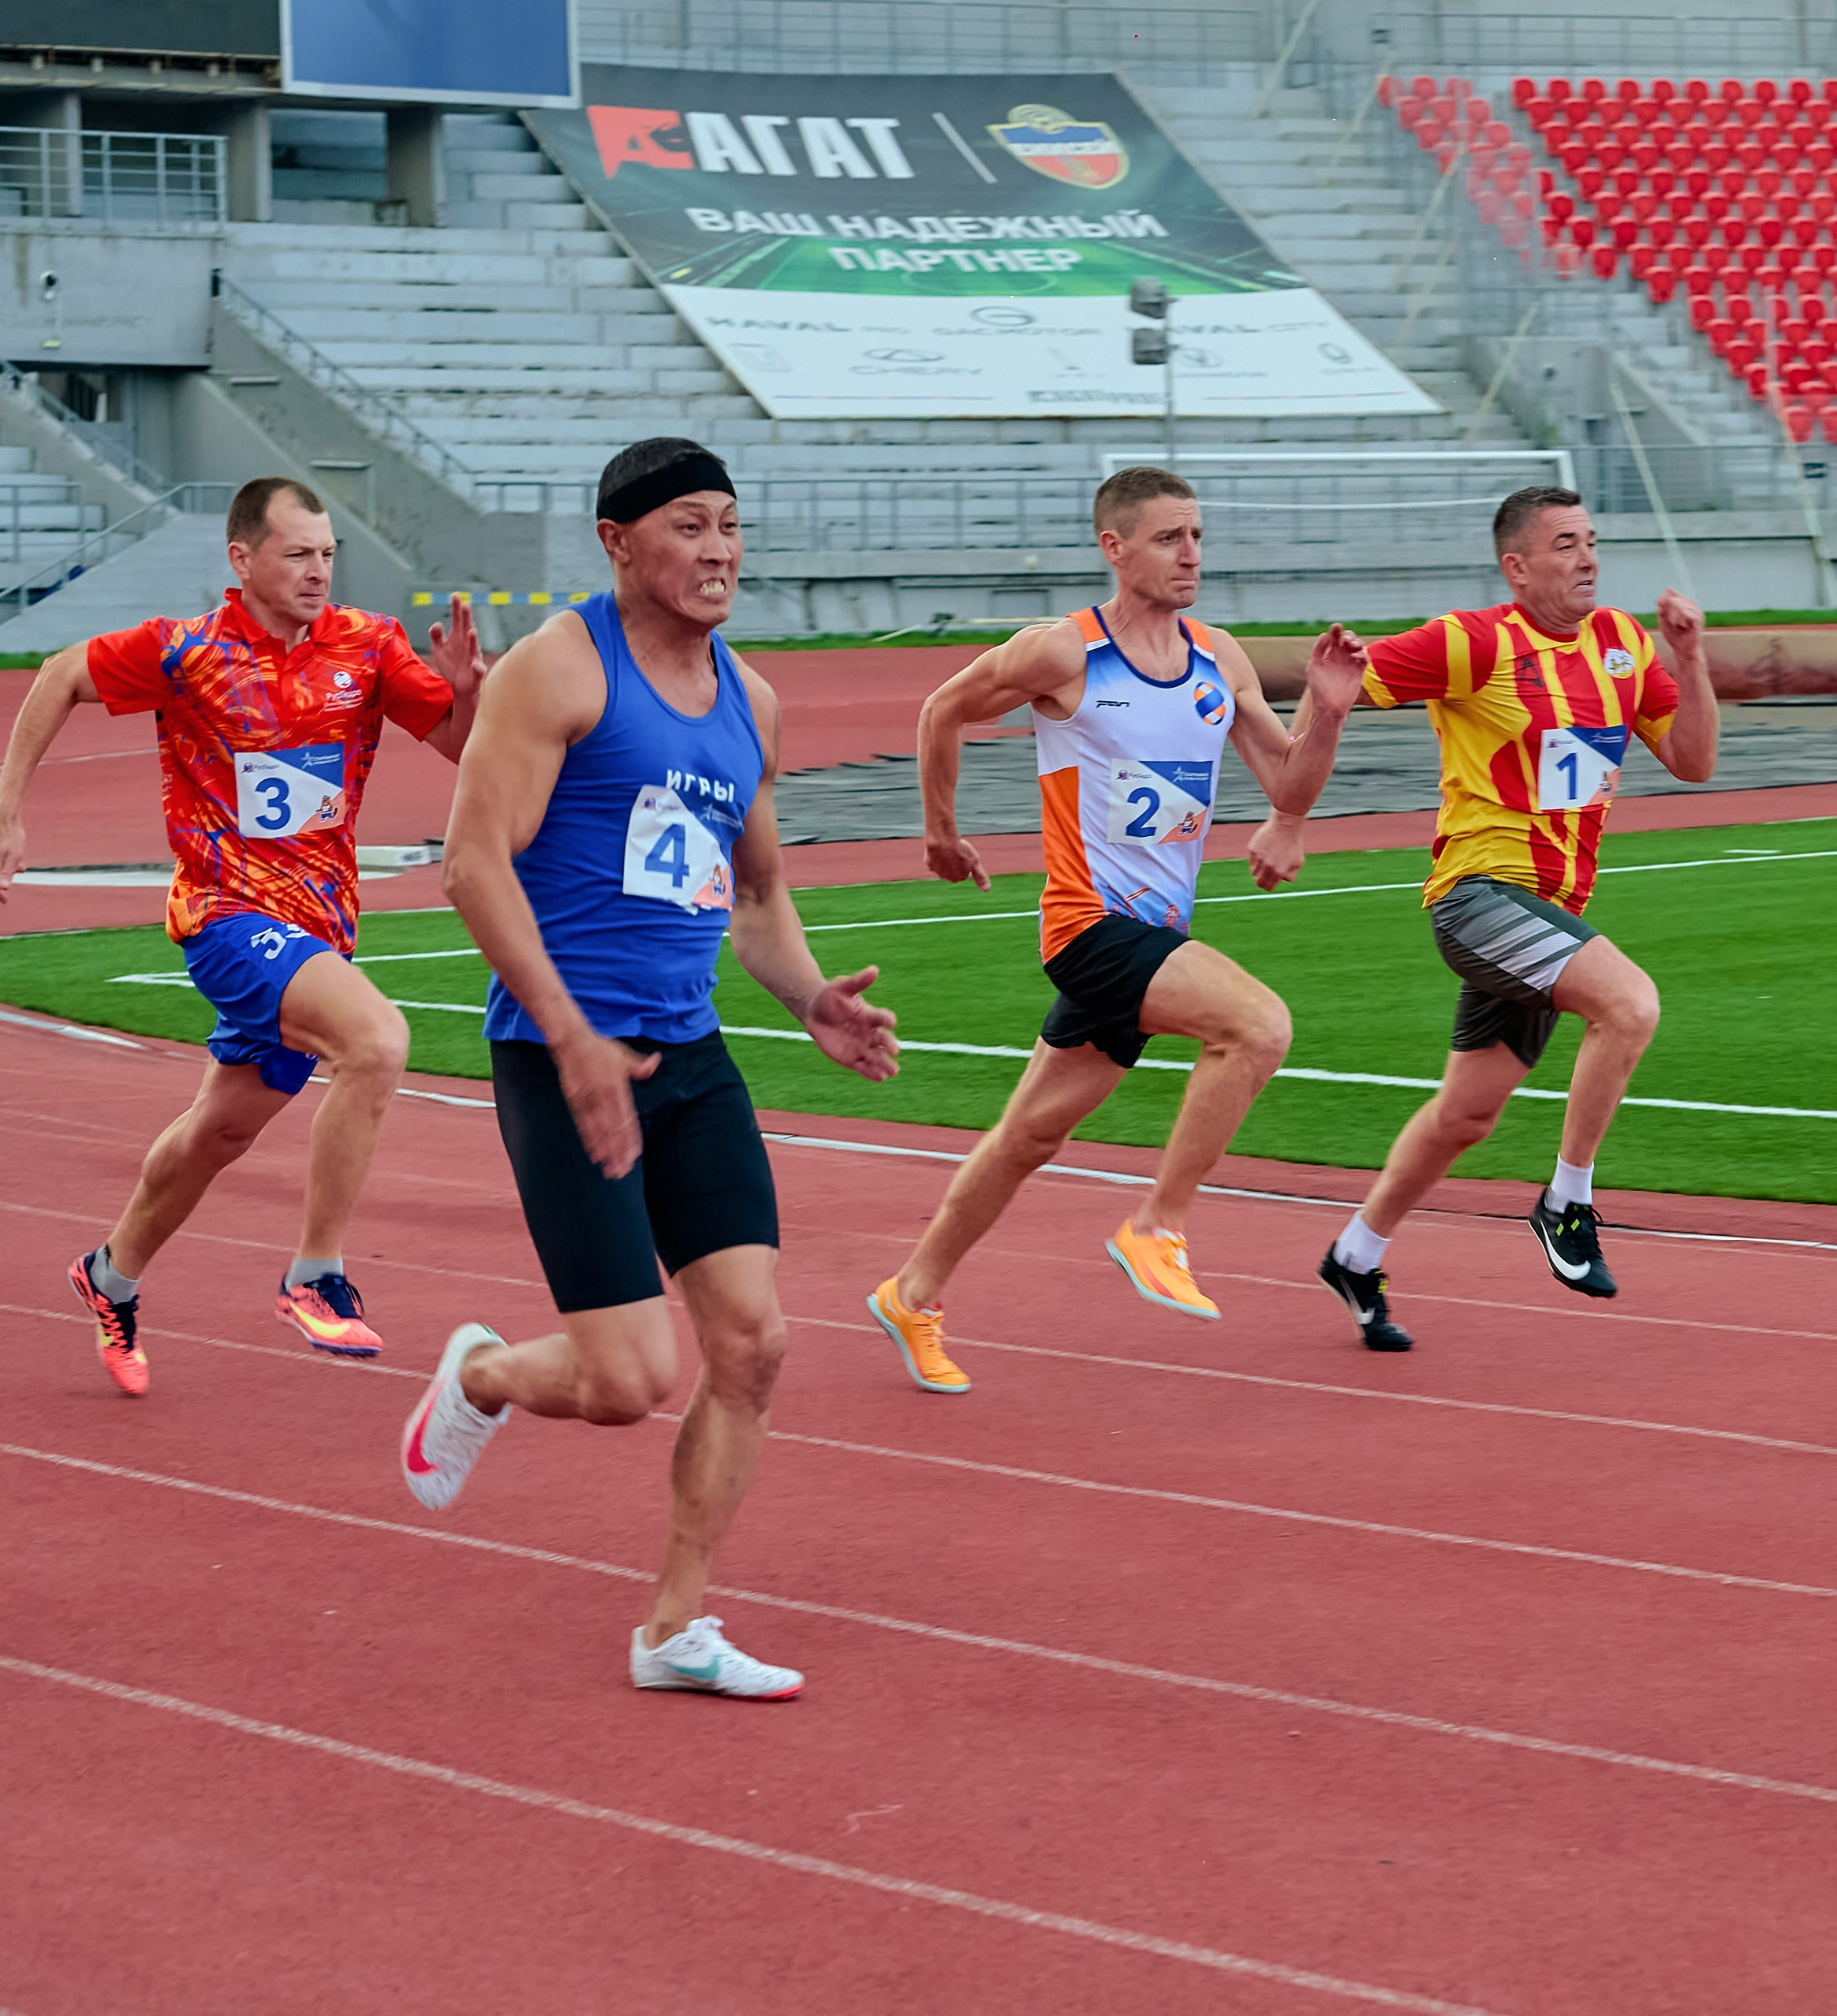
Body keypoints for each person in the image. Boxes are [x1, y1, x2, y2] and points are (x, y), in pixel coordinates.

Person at [401, 435, 898, 1703]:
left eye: (730, 525)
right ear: (619, 542)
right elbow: (473, 864)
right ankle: (481, 1375)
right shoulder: (557, 669)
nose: (719, 550)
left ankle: (676, 1628)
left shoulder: (753, 701)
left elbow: (759, 890)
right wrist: (569, 1033)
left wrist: (810, 1000)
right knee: (629, 1382)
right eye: (688, 525)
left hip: (691, 1056)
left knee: (755, 1347)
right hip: (560, 1055)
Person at [867, 463, 1369, 1394]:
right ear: (1115, 546)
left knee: (1028, 1136)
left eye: (1198, 536)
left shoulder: (1220, 657)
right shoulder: (1063, 652)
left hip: (1152, 932)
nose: (1191, 555)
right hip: (1088, 926)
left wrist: (1328, 711)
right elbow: (943, 707)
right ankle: (1157, 1225)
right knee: (1257, 1026)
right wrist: (941, 832)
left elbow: (1288, 789)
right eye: (1170, 537)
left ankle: (912, 1291)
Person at [0, 476, 484, 1394]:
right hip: (225, 917)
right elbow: (62, 672)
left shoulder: (368, 645)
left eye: (329, 552)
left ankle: (108, 1274)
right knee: (377, 1041)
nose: (318, 569)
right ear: (243, 559)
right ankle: (316, 1275)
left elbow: (462, 745)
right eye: (298, 552)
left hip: (319, 930)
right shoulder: (187, 651)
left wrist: (465, 698)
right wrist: (8, 805)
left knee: (218, 1132)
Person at [1269, 485, 1719, 1351]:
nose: (1587, 557)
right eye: (1563, 544)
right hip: (1476, 895)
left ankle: (1355, 1253)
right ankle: (1567, 1201)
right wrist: (1302, 770)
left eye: (1590, 540)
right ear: (1516, 567)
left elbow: (1694, 760)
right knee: (1629, 1004)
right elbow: (1340, 687)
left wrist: (1689, 656)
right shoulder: (1471, 641)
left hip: (1547, 914)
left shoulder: (1622, 641)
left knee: (1465, 1114)